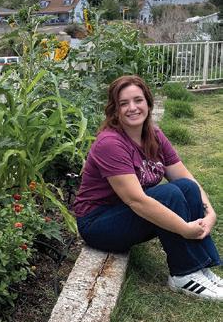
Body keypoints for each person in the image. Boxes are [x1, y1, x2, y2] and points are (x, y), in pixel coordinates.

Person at [73, 75, 222, 301]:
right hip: (98, 223)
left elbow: (185, 177)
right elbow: (136, 200)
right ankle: (184, 274)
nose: (132, 108)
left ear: (148, 103)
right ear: (115, 110)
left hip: (126, 213)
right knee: (168, 194)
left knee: (186, 188)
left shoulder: (154, 135)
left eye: (138, 100)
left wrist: (210, 212)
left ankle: (200, 267)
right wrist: (184, 228)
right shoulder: (110, 143)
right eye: (124, 103)